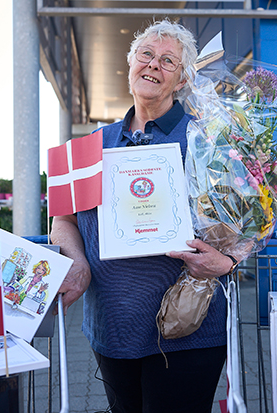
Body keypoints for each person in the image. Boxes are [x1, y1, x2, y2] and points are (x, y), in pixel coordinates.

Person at [50, 19, 238, 413]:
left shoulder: (208, 139)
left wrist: (229, 261)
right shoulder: (89, 146)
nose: (153, 64)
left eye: (168, 60)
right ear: (131, 64)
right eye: (146, 54)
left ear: (182, 79)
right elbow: (63, 219)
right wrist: (76, 261)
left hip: (189, 328)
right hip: (113, 327)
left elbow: (252, 217)